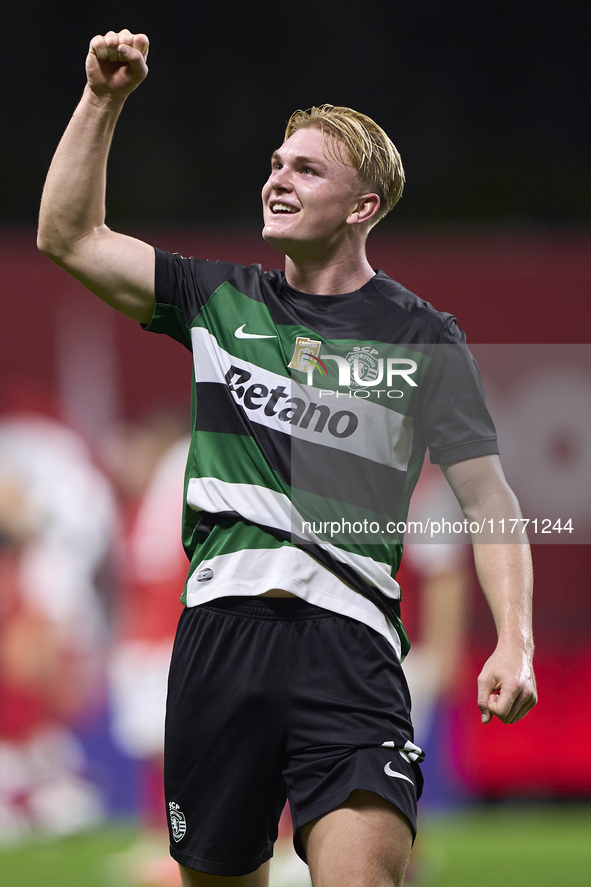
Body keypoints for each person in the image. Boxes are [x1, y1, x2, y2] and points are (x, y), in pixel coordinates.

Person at [37, 29, 537, 887]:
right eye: (276, 162)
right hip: (218, 642)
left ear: (362, 206)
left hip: (349, 647)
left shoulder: (423, 337)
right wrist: (102, 98)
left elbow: (488, 495)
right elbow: (69, 236)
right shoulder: (216, 299)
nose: (276, 177)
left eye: (306, 168)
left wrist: (514, 640)